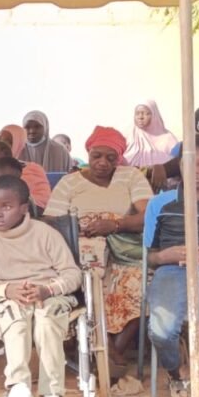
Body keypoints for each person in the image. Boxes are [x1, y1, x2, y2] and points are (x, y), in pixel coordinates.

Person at [45, 126, 151, 366]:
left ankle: (109, 352)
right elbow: (50, 221)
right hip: (80, 247)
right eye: (97, 156)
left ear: (119, 158)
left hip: (124, 245)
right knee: (89, 277)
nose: (103, 162)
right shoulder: (69, 182)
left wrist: (114, 224)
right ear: (88, 153)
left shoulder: (131, 176)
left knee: (142, 279)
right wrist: (78, 229)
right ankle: (106, 354)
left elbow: (148, 216)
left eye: (111, 157)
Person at [0, 175, 82, 397]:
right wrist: (7, 290)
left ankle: (53, 393)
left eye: (7, 206)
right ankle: (18, 386)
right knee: (15, 320)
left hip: (49, 294)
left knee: (47, 321)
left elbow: (72, 274)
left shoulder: (45, 234)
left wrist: (48, 289)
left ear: (24, 208)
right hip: (9, 297)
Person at [143, 135, 199, 397]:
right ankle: (177, 372)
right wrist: (164, 256)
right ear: (180, 165)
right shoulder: (160, 203)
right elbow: (150, 257)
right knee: (162, 331)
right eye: (194, 164)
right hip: (172, 269)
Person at [125, 100, 179, 167]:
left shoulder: (167, 138)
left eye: (146, 113)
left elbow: (177, 162)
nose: (140, 117)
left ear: (154, 115)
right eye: (137, 113)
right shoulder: (129, 135)